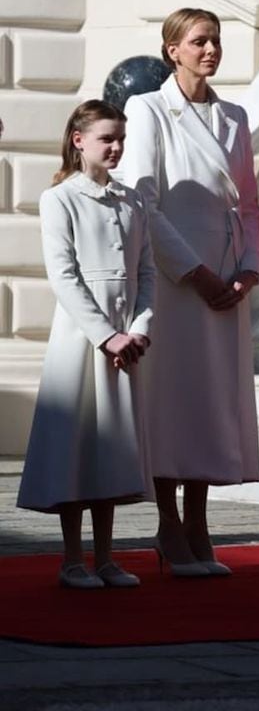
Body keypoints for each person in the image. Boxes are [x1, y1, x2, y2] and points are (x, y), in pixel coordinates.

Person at [120, 8, 259, 577]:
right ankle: (167, 523)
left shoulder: (234, 115)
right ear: (172, 49)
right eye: (199, 41)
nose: (211, 50)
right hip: (177, 278)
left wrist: (249, 269)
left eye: (216, 40)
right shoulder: (148, 108)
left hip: (227, 276)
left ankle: (199, 522)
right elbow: (143, 200)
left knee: (211, 400)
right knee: (173, 397)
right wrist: (194, 272)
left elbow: (248, 204)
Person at [18, 100, 155, 589]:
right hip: (81, 340)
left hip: (126, 340)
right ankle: (73, 558)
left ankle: (107, 557)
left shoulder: (132, 200)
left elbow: (147, 272)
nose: (116, 147)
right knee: (76, 447)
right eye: (106, 139)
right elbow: (64, 276)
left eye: (121, 139)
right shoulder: (60, 199)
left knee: (111, 447)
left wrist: (139, 327)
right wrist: (106, 335)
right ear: (79, 141)